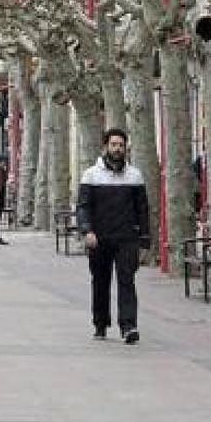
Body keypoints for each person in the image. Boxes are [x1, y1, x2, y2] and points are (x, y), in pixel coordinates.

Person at [77, 128, 149, 345]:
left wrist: (145, 239)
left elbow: (142, 210)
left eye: (121, 145)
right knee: (100, 281)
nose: (118, 149)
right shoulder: (91, 175)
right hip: (99, 237)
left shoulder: (135, 175)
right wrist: (87, 230)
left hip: (127, 237)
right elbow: (83, 206)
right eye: (114, 145)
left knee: (127, 280)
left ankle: (129, 326)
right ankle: (100, 323)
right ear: (105, 147)